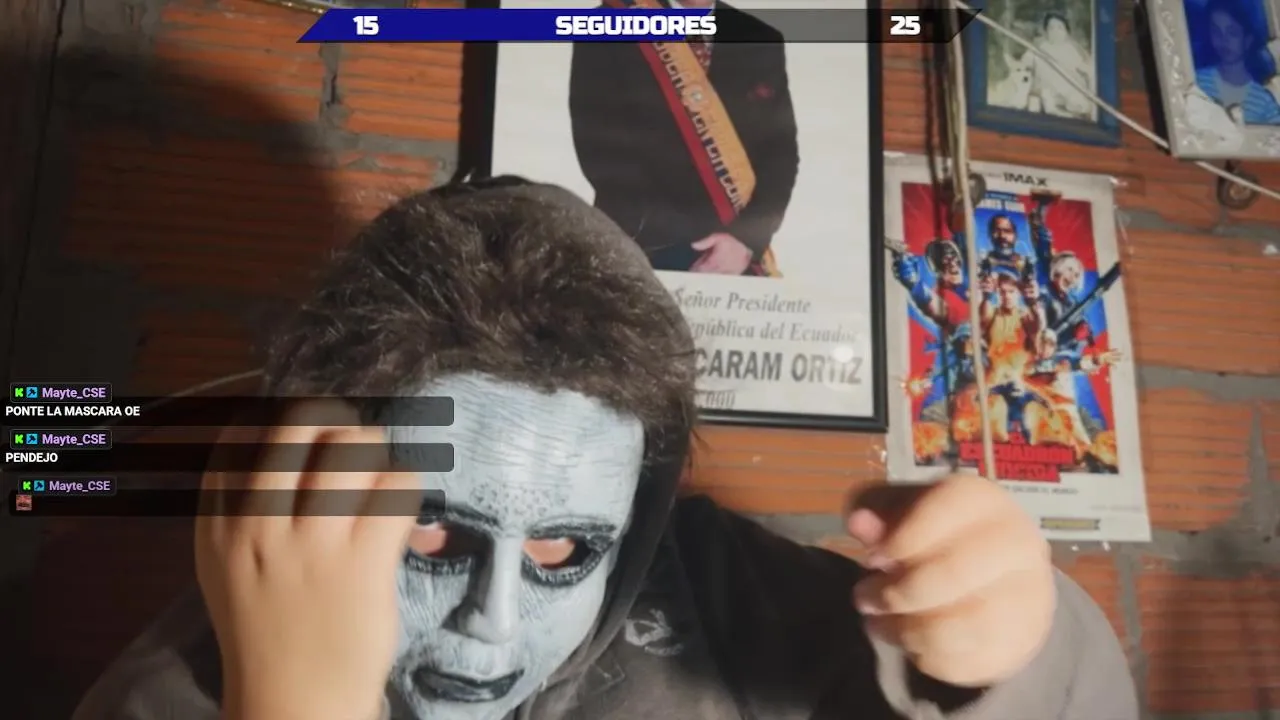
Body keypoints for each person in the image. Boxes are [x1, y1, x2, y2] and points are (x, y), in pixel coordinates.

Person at [72, 178, 1138, 720]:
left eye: (558, 551)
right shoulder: (174, 692)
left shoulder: (721, 602)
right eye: (432, 532)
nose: (491, 627)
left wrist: (1012, 660)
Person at [568, 0, 799, 276]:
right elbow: (600, 149)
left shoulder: (759, 38)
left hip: (734, 257)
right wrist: (687, 242)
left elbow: (779, 153)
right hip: (640, 250)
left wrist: (744, 239)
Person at [1194, 0, 1280, 125]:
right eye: (1216, 32)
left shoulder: (1264, 100)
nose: (1223, 40)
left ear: (1248, 39)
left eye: (1232, 33)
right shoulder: (1197, 81)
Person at [1031, 12, 1094, 119]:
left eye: (1060, 28)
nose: (1055, 31)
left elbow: (1085, 69)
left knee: (1078, 101)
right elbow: (1032, 72)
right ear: (1046, 32)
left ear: (1066, 32)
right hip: (1049, 93)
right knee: (1042, 99)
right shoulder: (1041, 50)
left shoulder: (1069, 49)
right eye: (1051, 28)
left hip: (1069, 92)